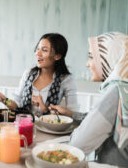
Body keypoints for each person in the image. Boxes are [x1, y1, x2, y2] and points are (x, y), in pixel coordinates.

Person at [49, 32, 128, 166]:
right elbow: (108, 121)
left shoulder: (117, 91)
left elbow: (78, 144)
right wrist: (72, 114)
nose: (87, 63)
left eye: (92, 57)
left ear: (109, 57)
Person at [0, 33, 77, 116]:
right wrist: (3, 100)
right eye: (38, 49)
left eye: (44, 50)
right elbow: (17, 106)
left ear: (57, 56)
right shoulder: (28, 74)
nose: (37, 53)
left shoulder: (66, 79)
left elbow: (73, 114)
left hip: (49, 129)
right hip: (25, 125)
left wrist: (46, 109)